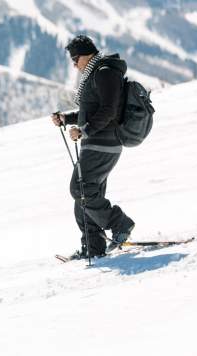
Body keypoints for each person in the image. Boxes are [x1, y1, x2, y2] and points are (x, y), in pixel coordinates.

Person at [51, 35, 135, 258]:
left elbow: (109, 110)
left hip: (104, 143)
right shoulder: (95, 74)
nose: (74, 64)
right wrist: (66, 119)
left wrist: (85, 130)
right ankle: (94, 247)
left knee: (80, 190)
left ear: (87, 55)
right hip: (96, 143)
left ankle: (121, 223)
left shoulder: (105, 72)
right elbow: (91, 111)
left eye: (75, 59)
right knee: (83, 195)